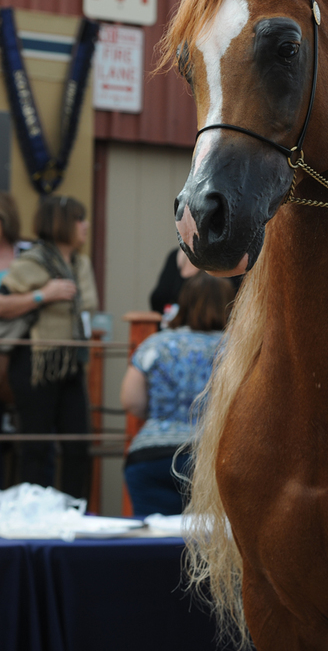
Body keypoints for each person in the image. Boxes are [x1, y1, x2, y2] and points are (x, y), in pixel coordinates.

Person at [1, 195, 99, 499]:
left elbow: (88, 309)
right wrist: (43, 295)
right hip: (34, 361)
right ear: (60, 224)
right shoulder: (32, 262)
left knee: (78, 444)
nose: (85, 226)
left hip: (71, 362)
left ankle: (73, 509)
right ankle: (35, 514)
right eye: (78, 219)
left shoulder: (81, 264)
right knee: (36, 445)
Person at [121, 271, 234, 516]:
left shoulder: (156, 343)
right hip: (211, 459)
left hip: (150, 458)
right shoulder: (234, 348)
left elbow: (132, 401)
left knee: (152, 543)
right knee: (208, 544)